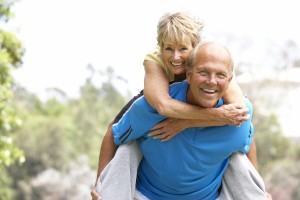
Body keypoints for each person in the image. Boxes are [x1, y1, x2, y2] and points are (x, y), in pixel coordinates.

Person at [91, 11, 266, 199]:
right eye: (168, 49)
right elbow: (163, 106)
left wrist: (186, 122)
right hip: (163, 98)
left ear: (195, 46)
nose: (176, 57)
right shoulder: (155, 62)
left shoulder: (212, 66)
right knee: (128, 144)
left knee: (236, 152)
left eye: (183, 49)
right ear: (160, 47)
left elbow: (243, 124)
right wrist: (99, 185)